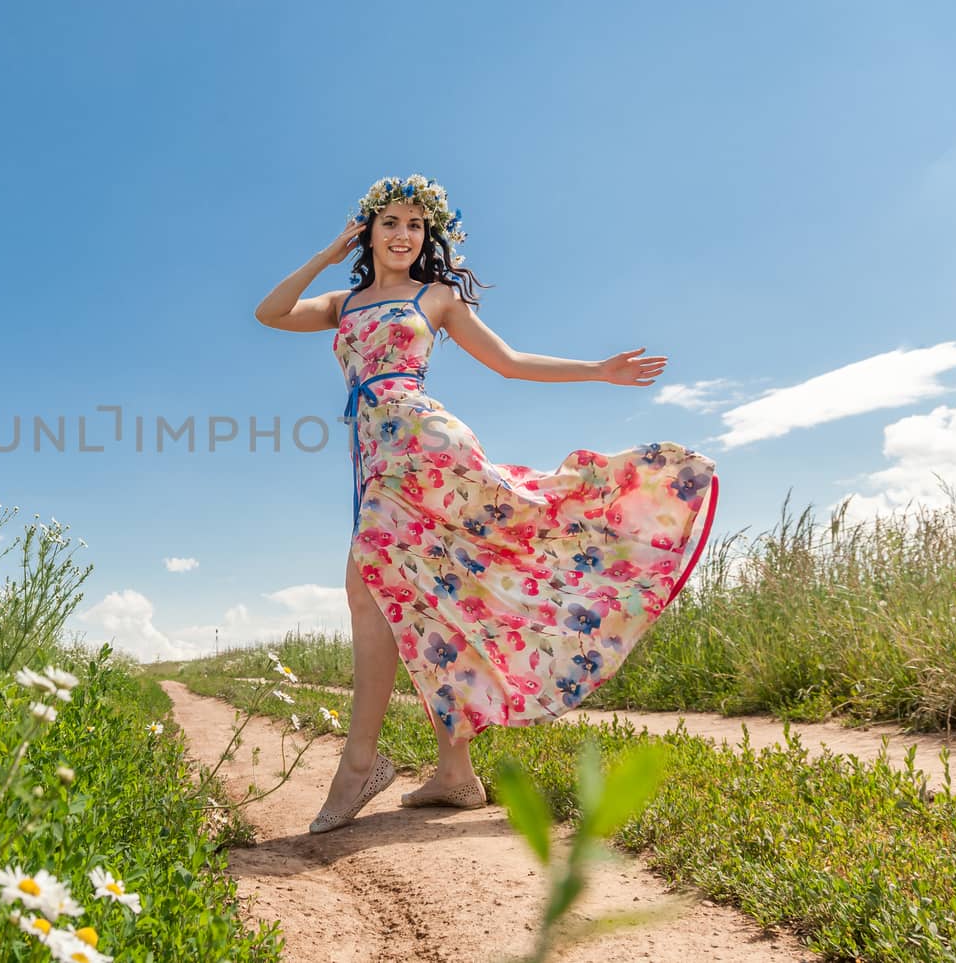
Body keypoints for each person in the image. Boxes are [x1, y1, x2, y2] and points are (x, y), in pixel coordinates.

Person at [253, 175, 720, 834]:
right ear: (368, 230)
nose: (403, 234)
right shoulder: (345, 301)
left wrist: (596, 368)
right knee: (428, 598)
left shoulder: (434, 296)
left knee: (367, 581)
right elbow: (269, 313)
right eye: (390, 221)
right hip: (374, 456)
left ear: (429, 235)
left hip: (424, 445)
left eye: (415, 224)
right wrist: (327, 256)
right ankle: (455, 772)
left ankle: (358, 764)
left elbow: (508, 361)